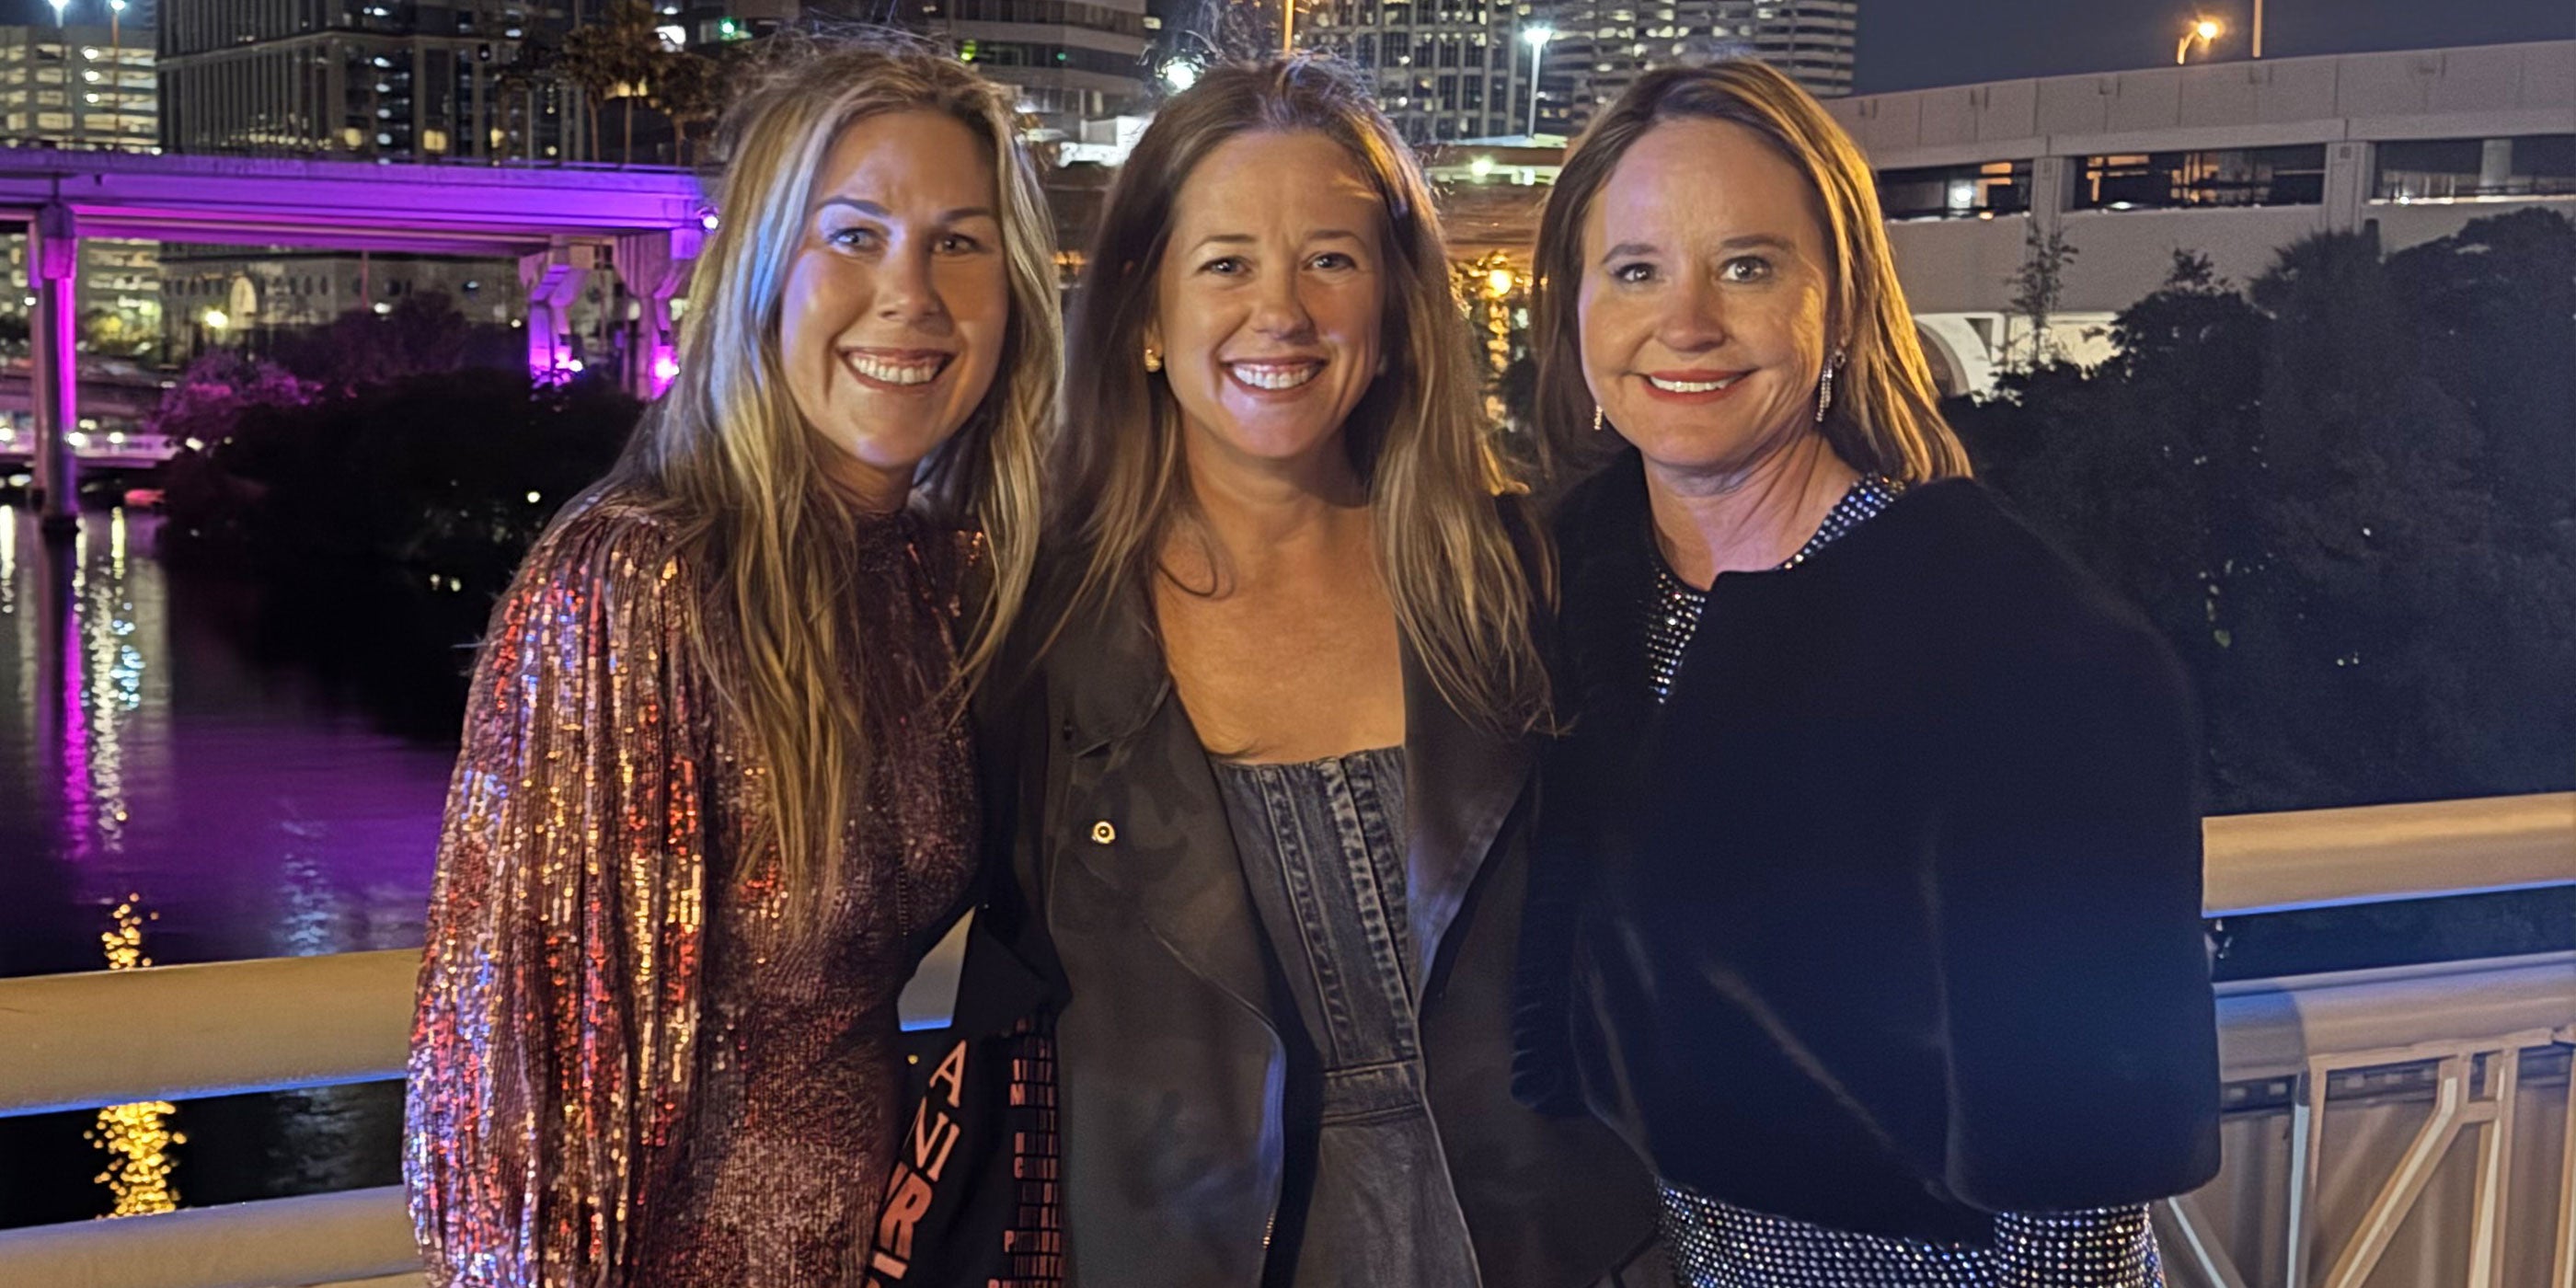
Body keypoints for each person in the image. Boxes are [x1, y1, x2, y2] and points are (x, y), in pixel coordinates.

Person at [1512, 62, 2221, 1287]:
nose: (1685, 323)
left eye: (1747, 266)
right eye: (1635, 270)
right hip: (1620, 1249)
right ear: (1572, 312)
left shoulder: (2020, 644)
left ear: (1838, 302)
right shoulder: (1556, 583)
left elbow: (2084, 1181)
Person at [975, 55, 1662, 1288]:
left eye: (1330, 260)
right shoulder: (1030, 631)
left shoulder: (1528, 583)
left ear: (1396, 307)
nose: (1280, 312)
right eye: (1226, 262)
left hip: (1544, 1248)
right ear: (1143, 307)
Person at [403, 39, 1059, 1286]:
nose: (910, 296)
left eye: (960, 243)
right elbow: (523, 1091)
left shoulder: (933, 578)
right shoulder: (636, 585)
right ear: (763, 269)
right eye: (854, 236)